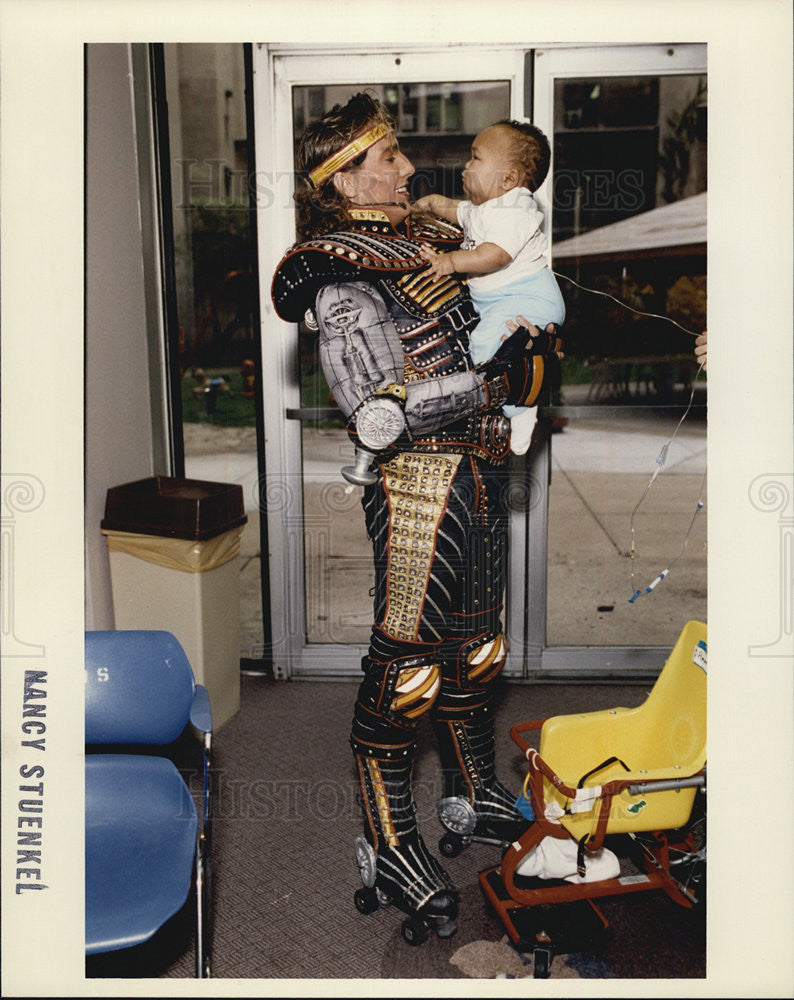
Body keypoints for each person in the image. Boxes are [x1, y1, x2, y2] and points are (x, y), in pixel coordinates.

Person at [271, 92, 561, 942]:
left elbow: (529, 333)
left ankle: (472, 795)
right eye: (388, 155)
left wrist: (523, 365)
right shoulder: (333, 263)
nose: (406, 168)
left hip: (478, 465)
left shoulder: (440, 241)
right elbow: (377, 408)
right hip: (414, 483)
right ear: (344, 175)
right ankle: (389, 837)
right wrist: (504, 381)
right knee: (407, 669)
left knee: (478, 649)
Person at [414, 120, 565, 455]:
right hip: (500, 301)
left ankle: (522, 410)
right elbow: (456, 211)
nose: (466, 166)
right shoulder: (485, 209)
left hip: (526, 298)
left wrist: (451, 261)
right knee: (483, 349)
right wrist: (431, 203)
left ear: (508, 179)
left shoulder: (516, 208)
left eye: (476, 158)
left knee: (484, 348)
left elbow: (495, 255)